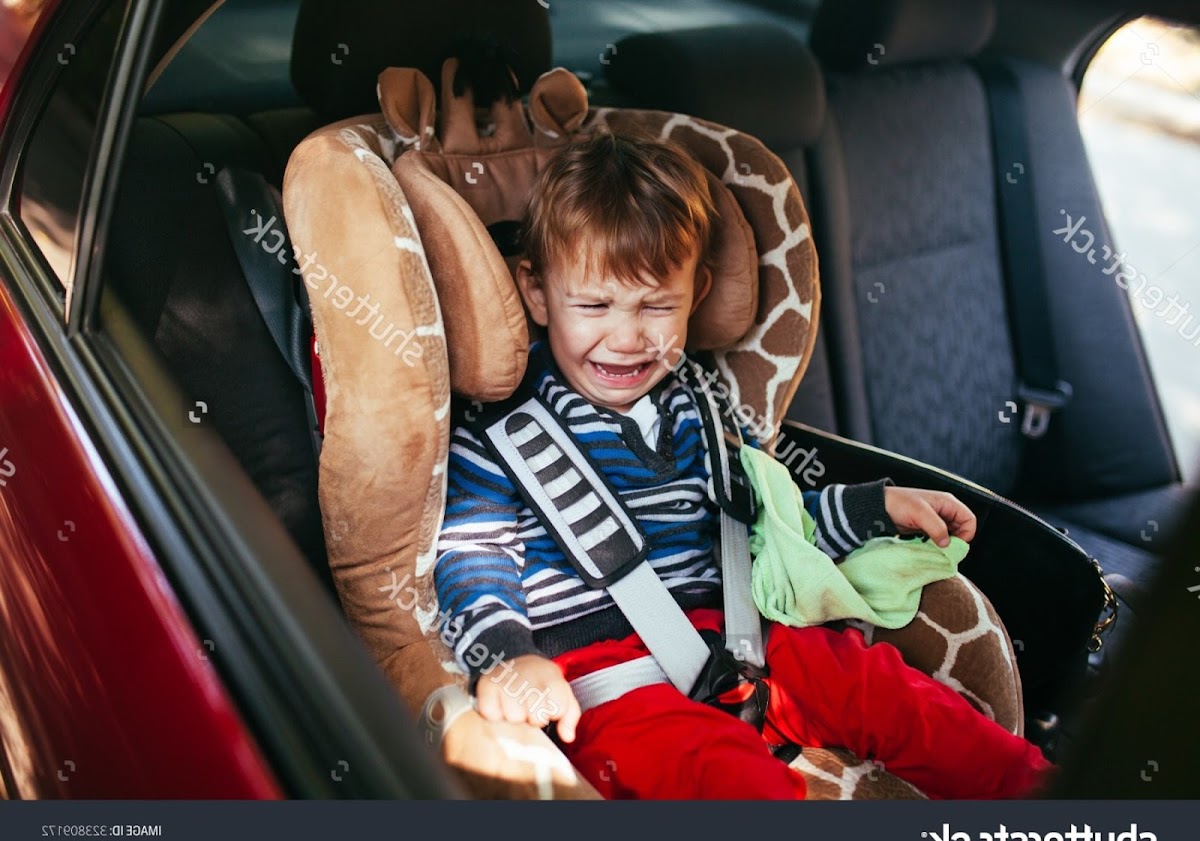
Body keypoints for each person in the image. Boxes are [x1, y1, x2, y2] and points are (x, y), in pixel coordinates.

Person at [434, 130, 1051, 799]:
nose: (626, 336)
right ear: (536, 291)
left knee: (891, 693)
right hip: (605, 681)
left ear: (697, 292)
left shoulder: (699, 402)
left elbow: (769, 517)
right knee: (728, 778)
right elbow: (473, 554)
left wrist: (878, 507)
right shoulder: (504, 431)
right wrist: (510, 656)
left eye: (656, 306)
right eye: (594, 305)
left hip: (744, 641)